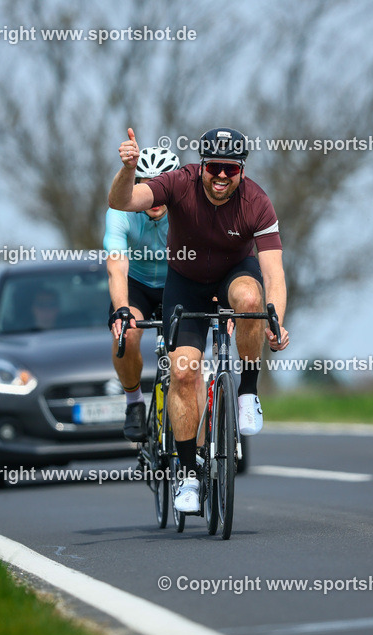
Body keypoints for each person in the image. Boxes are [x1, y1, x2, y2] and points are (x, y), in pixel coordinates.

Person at [108, 127, 290, 514]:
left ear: (240, 170)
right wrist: (127, 169)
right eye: (213, 168)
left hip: (232, 274)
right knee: (185, 373)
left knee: (251, 298)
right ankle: (189, 474)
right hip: (185, 282)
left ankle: (247, 393)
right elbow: (124, 200)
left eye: (230, 168)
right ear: (201, 165)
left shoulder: (257, 202)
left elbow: (273, 273)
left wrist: (276, 320)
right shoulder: (179, 182)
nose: (221, 176)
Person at [105, 146, 181, 441]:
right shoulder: (120, 212)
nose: (153, 192)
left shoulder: (185, 211)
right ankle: (133, 401)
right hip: (135, 284)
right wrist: (122, 309)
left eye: (160, 183)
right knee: (126, 333)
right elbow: (116, 267)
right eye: (144, 182)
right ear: (135, 186)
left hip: (177, 282)